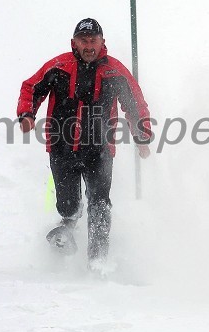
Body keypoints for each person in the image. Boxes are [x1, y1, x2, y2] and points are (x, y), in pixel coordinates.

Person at [17, 18, 151, 270]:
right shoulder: (59, 66)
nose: (88, 46)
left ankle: (98, 257)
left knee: (99, 202)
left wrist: (142, 136)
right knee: (68, 204)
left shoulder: (115, 71)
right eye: (83, 41)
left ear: (102, 42)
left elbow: (135, 104)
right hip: (61, 147)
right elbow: (31, 88)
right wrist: (27, 114)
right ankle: (65, 233)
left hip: (100, 149)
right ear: (74, 43)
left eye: (93, 41)